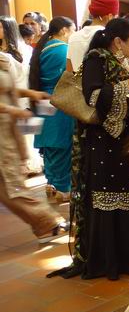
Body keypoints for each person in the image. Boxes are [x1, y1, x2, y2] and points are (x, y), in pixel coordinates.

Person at [48, 18, 129, 280]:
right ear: (118, 41)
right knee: (109, 193)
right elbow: (93, 96)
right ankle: (110, 259)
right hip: (105, 142)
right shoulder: (97, 59)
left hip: (127, 140)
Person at [0, 52, 67, 243]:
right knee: (11, 186)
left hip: (7, 132)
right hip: (4, 134)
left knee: (9, 185)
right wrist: (13, 110)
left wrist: (30, 94)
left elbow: (6, 89)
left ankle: (45, 224)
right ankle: (47, 223)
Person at [33, 17, 75, 202]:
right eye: (73, 30)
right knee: (61, 146)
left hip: (43, 101)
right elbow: (70, 77)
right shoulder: (63, 50)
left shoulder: (44, 48)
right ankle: (61, 189)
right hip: (59, 101)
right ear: (64, 30)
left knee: (50, 148)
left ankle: (51, 185)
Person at [67, 0, 119, 72]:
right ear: (110, 16)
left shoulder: (73, 37)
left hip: (78, 79)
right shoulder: (109, 37)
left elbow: (69, 68)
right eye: (116, 17)